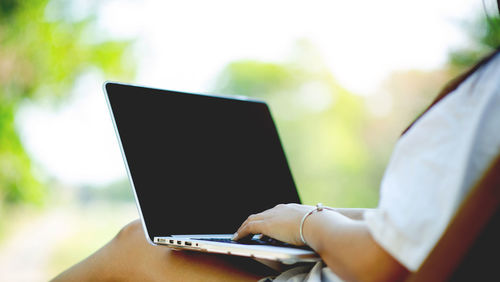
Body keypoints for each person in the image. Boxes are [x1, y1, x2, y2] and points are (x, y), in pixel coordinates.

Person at [52, 11, 500, 282]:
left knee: (135, 243)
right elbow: (426, 225)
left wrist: (308, 222)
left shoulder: (490, 91)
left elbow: (379, 266)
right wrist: (306, 218)